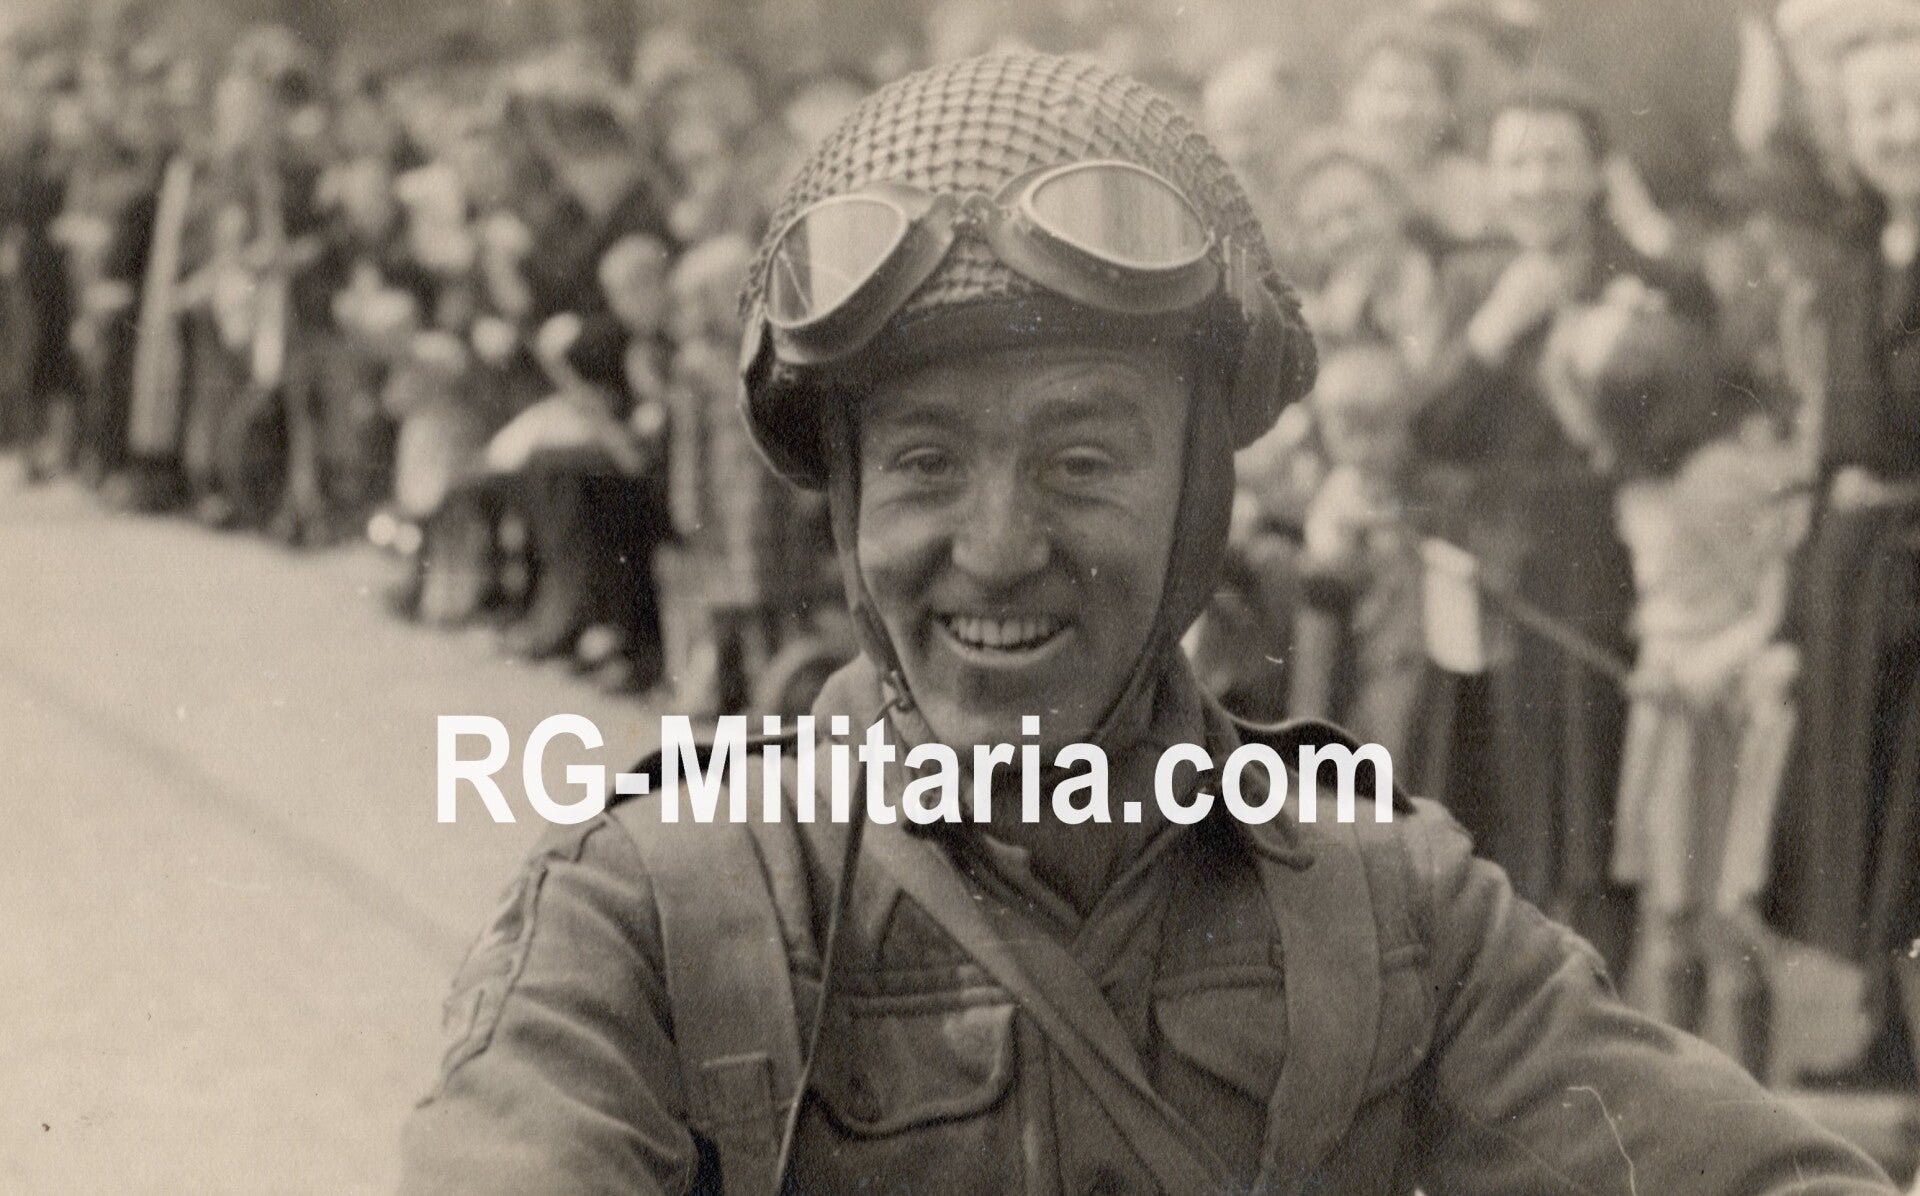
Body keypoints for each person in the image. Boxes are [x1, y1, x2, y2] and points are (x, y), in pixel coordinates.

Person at [400, 53, 1896, 1194]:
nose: (997, 549)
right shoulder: (658, 911)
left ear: (1199, 498)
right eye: (924, 462)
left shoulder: (1388, 906)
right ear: (847, 498)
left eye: (1083, 460)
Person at [1410, 77, 1712, 971]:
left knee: (1603, 812)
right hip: (1497, 574)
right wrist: (1495, 330)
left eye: (1556, 160)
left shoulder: (1652, 279)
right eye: (1516, 162)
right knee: (1501, 807)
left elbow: (1686, 423)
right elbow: (1425, 428)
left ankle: (1601, 1006)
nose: (1536, 183)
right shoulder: (1471, 278)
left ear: (1595, 172)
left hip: (1607, 564)